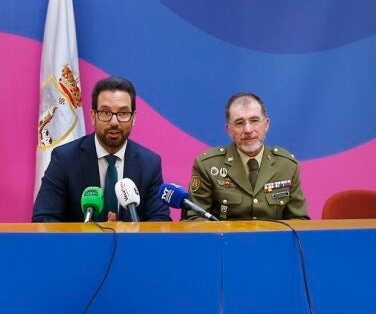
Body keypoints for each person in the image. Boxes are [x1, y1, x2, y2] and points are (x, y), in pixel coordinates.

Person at [32, 76, 170, 223]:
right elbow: (43, 219)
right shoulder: (65, 159)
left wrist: (125, 232)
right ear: (93, 116)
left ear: (133, 117)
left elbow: (160, 221)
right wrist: (93, 233)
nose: (114, 122)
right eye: (105, 112)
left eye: (123, 113)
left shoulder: (149, 164)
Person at [187, 92, 308, 221]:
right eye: (239, 123)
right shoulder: (207, 166)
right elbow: (194, 219)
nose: (248, 130)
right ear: (229, 130)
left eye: (254, 121)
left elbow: (299, 221)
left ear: (266, 124)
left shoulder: (287, 165)